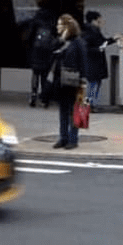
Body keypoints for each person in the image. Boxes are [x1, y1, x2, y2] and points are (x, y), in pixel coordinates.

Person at [51, 13, 87, 149]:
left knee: (75, 111)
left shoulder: (78, 42)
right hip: (61, 81)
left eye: (60, 25)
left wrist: (83, 81)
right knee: (63, 111)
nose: (57, 27)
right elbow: (52, 51)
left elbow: (83, 63)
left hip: (74, 81)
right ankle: (63, 137)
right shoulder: (60, 41)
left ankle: (73, 139)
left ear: (67, 27)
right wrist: (61, 39)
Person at [27, 5, 58, 108]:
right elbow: (55, 38)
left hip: (36, 51)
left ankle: (33, 95)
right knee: (45, 75)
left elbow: (30, 36)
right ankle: (44, 99)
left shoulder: (36, 21)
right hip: (47, 52)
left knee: (35, 73)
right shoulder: (52, 22)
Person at [82, 10, 114, 107]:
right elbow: (87, 48)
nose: (101, 22)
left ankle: (92, 104)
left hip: (95, 62)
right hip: (93, 62)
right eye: (99, 20)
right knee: (93, 85)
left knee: (95, 84)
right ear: (93, 21)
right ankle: (90, 104)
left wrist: (113, 39)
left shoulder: (94, 31)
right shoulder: (89, 32)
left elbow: (102, 42)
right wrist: (98, 49)